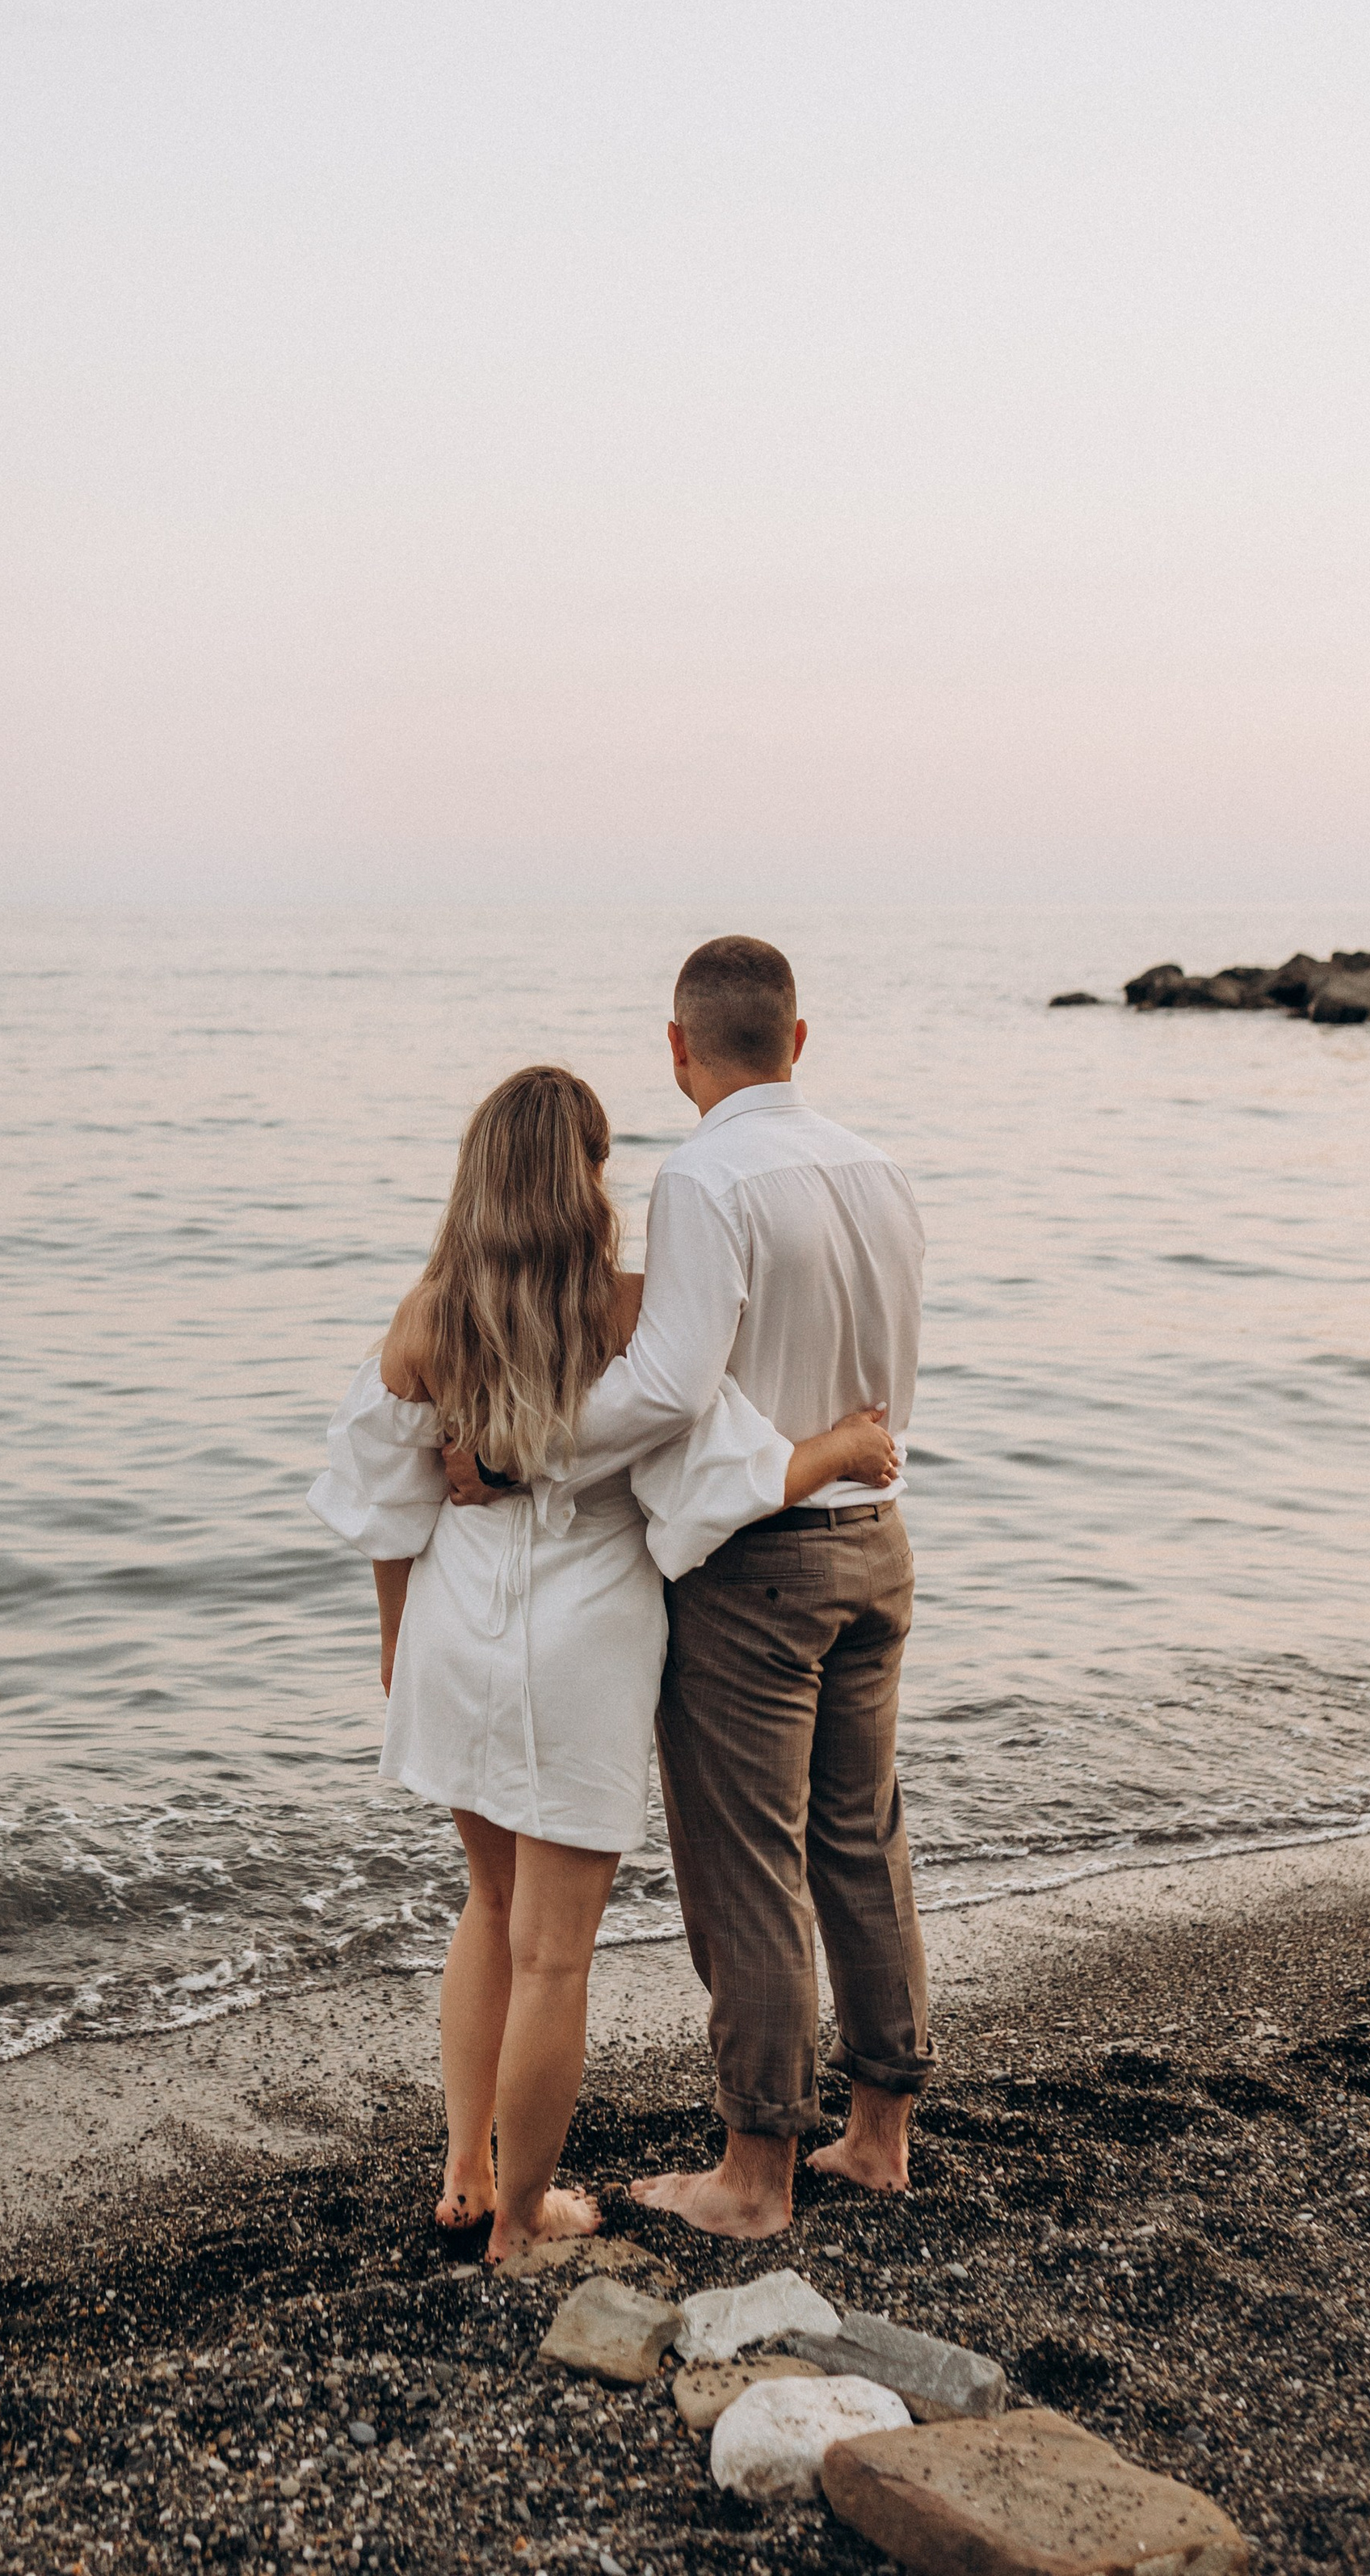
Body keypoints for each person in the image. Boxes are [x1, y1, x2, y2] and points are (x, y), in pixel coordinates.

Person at [309, 1062, 897, 2265]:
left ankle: (469, 2170)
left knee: (490, 1904)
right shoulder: (624, 1316)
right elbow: (724, 1473)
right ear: (581, 1182)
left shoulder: (426, 1322)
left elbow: (380, 1504)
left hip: (456, 1631)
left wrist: (392, 1637)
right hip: (579, 1646)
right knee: (554, 1954)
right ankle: (523, 2224)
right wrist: (836, 1447)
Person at [447, 939, 931, 2240]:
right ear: (799, 1038)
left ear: (678, 1046)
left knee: (745, 1867)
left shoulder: (706, 1175)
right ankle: (879, 2136)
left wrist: (513, 1450)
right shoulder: (879, 1171)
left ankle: (756, 2175)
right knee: (861, 1839)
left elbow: (666, 1385)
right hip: (876, 1536)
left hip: (763, 1565)